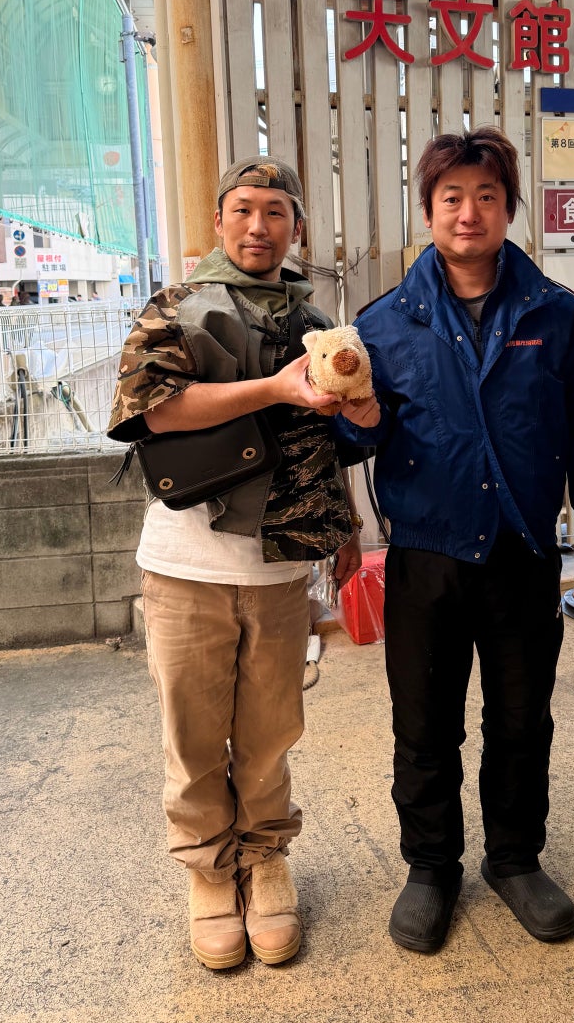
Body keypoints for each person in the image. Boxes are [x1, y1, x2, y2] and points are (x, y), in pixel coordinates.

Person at [334, 127, 574, 954]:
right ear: (428, 211)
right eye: (451, 197)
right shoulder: (383, 325)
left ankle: (513, 860)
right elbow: (352, 440)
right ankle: (430, 869)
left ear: (507, 209)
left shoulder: (557, 315)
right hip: (424, 556)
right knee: (424, 726)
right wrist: (358, 418)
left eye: (486, 197)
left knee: (521, 720)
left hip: (521, 553)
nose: (469, 213)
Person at [107, 157, 379, 972]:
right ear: (219, 220)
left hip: (280, 570)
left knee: (269, 737)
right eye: (242, 209)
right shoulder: (175, 307)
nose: (258, 226)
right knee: (193, 739)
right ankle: (207, 873)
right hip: (185, 563)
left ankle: (264, 862)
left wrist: (345, 517)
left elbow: (326, 439)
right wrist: (273, 390)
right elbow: (153, 410)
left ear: (296, 226)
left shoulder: (318, 321)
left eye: (275, 212)